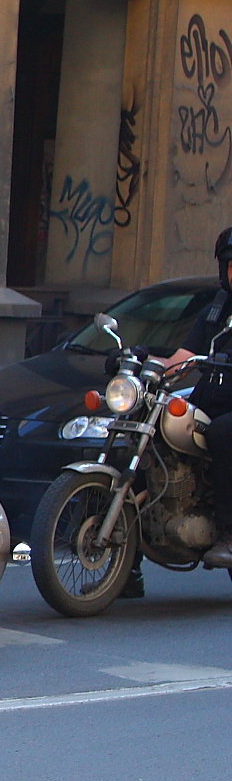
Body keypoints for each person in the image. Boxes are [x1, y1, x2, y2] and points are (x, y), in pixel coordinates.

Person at [166, 226, 232, 568]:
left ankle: (228, 535)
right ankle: (127, 563)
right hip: (208, 401)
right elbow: (183, 357)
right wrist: (142, 360)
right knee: (152, 423)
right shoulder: (216, 309)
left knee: (224, 432)